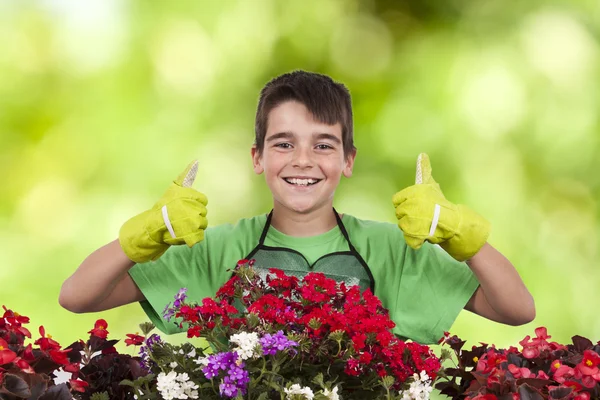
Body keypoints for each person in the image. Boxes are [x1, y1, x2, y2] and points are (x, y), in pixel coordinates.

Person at [59, 70, 535, 345]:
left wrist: (463, 236)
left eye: (324, 145)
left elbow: (515, 309)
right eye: (283, 144)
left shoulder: (389, 248)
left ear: (348, 161)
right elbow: (78, 297)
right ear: (257, 157)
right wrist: (146, 232)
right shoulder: (218, 249)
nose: (303, 161)